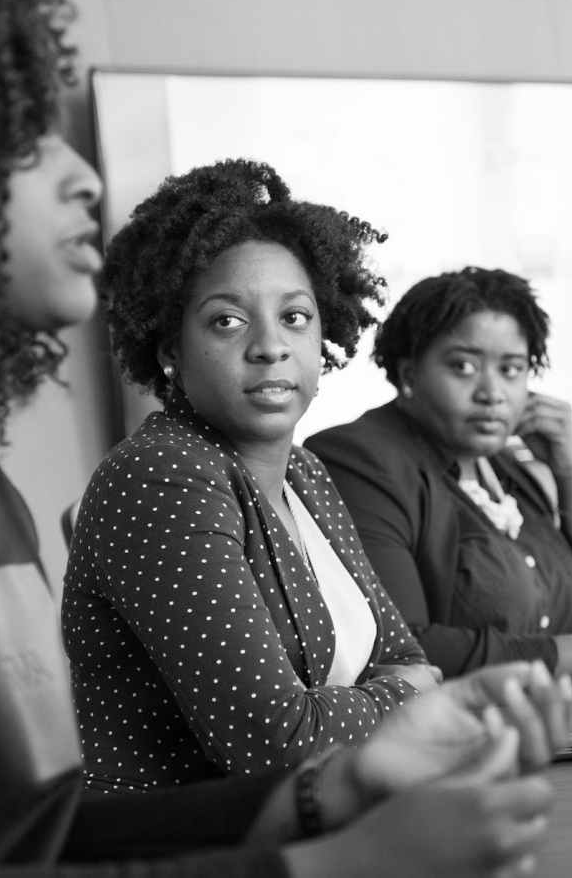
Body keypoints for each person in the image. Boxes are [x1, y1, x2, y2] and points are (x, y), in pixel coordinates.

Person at [0, 0, 572, 876]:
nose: (85, 177)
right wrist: (333, 863)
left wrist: (330, 792)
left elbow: (25, 840)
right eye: (25, 137)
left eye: (295, 318)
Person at [65, 159, 452, 792]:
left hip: (328, 821)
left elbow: (405, 655)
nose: (270, 346)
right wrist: (400, 698)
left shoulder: (304, 473)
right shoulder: (160, 475)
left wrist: (396, 688)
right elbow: (274, 743)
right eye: (227, 320)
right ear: (169, 350)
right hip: (195, 851)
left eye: (295, 317)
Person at [306, 267, 572, 679]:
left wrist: (570, 472)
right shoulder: (359, 460)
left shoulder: (504, 465)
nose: (492, 393)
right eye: (463, 367)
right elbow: (406, 650)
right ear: (410, 373)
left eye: (511, 369)